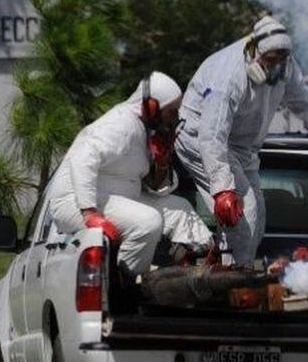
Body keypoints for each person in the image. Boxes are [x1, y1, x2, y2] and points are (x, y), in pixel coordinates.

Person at [176, 15, 308, 266]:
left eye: (281, 60)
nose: (276, 67)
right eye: (270, 61)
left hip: (242, 146)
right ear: (254, 50)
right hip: (199, 138)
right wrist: (222, 189)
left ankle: (229, 272)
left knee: (257, 218)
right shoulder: (229, 76)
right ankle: (231, 286)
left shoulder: (286, 65)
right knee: (244, 215)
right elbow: (212, 136)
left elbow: (299, 96)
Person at [48, 72, 214, 277]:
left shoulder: (146, 131)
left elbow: (153, 187)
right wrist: (89, 213)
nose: (175, 118)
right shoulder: (120, 124)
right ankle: (124, 287)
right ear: (151, 107)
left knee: (181, 209)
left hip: (117, 196)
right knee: (147, 222)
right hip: (75, 202)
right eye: (171, 111)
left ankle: (198, 271)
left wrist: (161, 163)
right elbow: (82, 158)